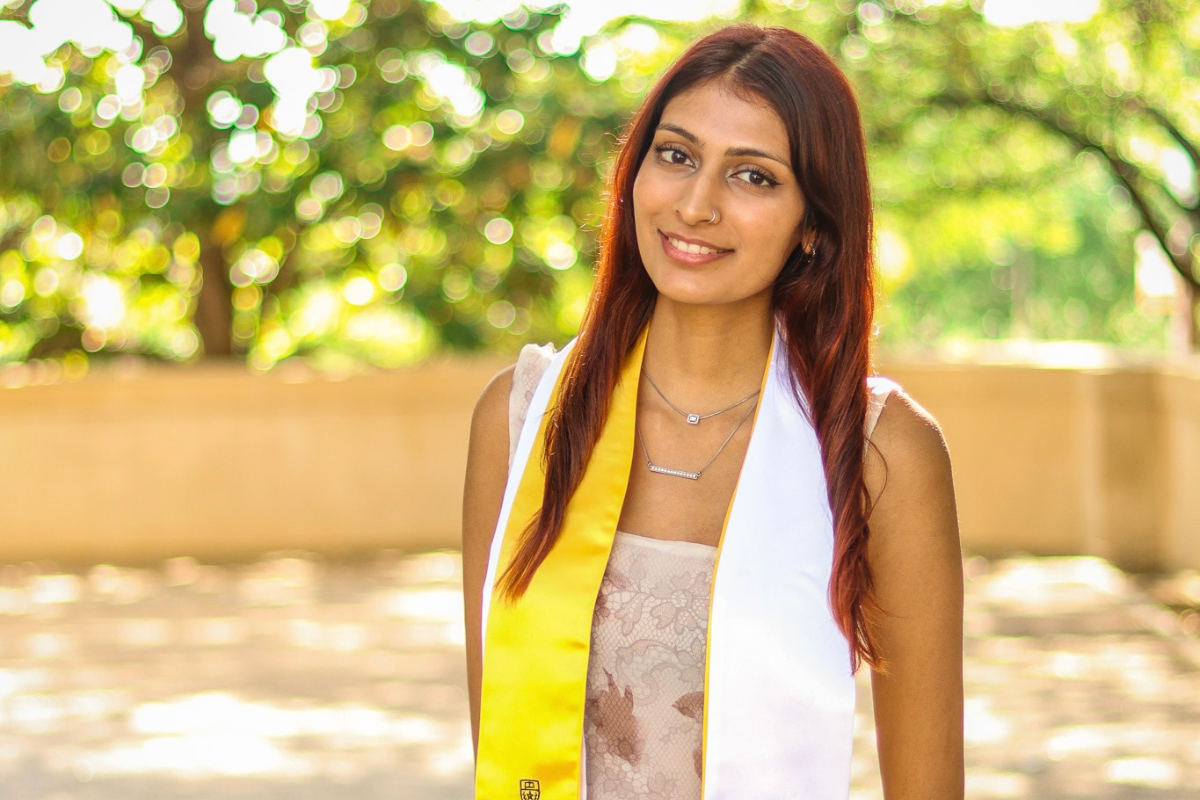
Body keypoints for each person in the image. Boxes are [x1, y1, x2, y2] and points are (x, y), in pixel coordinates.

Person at [462, 23, 963, 800]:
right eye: (677, 155)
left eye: (754, 177)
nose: (696, 205)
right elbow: (500, 740)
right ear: (635, 173)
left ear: (814, 227)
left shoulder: (877, 453)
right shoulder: (525, 422)